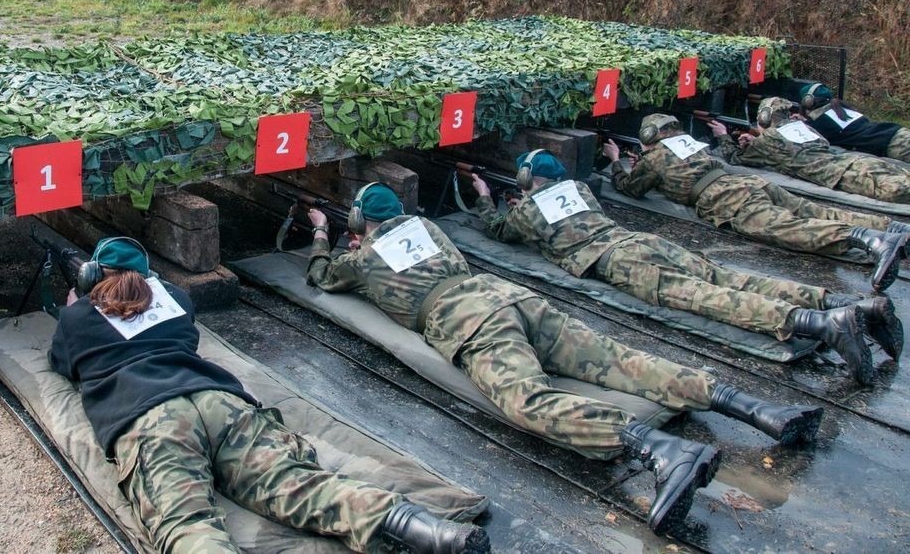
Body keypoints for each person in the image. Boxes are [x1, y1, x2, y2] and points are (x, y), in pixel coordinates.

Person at [305, 184, 824, 534]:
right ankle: (757, 408)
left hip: (468, 321)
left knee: (525, 399)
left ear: (357, 223)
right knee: (620, 359)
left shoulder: (363, 259)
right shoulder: (430, 231)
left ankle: (659, 451)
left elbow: (323, 275)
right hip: (513, 297)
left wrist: (323, 235)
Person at [50, 236, 490, 554]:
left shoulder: (77, 319)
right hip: (218, 400)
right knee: (298, 484)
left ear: (92, 277)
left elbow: (64, 363)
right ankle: (425, 530)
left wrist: (75, 309)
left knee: (185, 522)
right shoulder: (178, 301)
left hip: (149, 418)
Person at [470, 150, 901, 384]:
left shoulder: (526, 213)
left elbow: (498, 230)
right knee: (726, 277)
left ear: (527, 180)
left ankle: (820, 323)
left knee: (708, 299)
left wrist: (487, 197)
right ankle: (846, 304)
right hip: (641, 241)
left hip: (618, 260)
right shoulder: (581, 189)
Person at [606, 113, 909, 291]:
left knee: (789, 229)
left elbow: (630, 188)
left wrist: (618, 162)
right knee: (817, 210)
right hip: (748, 183)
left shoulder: (653, 157)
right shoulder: (688, 144)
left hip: (726, 197)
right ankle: (891, 227)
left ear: (648, 134)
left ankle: (869, 240)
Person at [716, 97, 910, 205]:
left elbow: (734, 157)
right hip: (858, 162)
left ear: (765, 118)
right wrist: (757, 139)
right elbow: (795, 146)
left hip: (846, 174)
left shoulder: (766, 141)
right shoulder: (803, 128)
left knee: (899, 192)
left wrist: (723, 135)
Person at [800, 82, 910, 163]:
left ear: (808, 102)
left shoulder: (820, 124)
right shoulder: (842, 109)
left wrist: (802, 122)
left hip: (895, 145)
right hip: (899, 132)